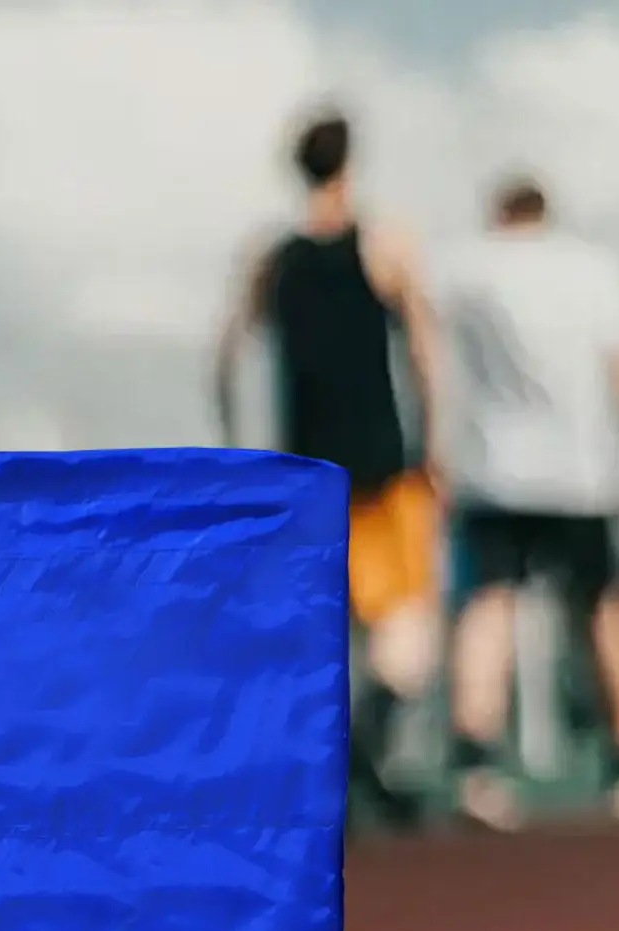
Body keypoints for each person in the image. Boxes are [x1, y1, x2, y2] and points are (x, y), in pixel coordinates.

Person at [215, 109, 443, 831]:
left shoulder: (269, 257)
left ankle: (343, 760)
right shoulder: (384, 245)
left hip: (305, 471)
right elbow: (426, 353)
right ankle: (366, 751)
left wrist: (238, 451)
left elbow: (223, 360)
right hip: (379, 465)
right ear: (350, 164)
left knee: (323, 629)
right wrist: (435, 444)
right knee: (400, 626)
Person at [437, 176, 619, 827]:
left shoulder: (466, 269)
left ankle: (476, 768)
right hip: (582, 473)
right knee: (604, 605)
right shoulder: (591, 268)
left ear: (499, 212)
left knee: (489, 605)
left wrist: (438, 447)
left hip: (495, 469)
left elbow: (432, 359)